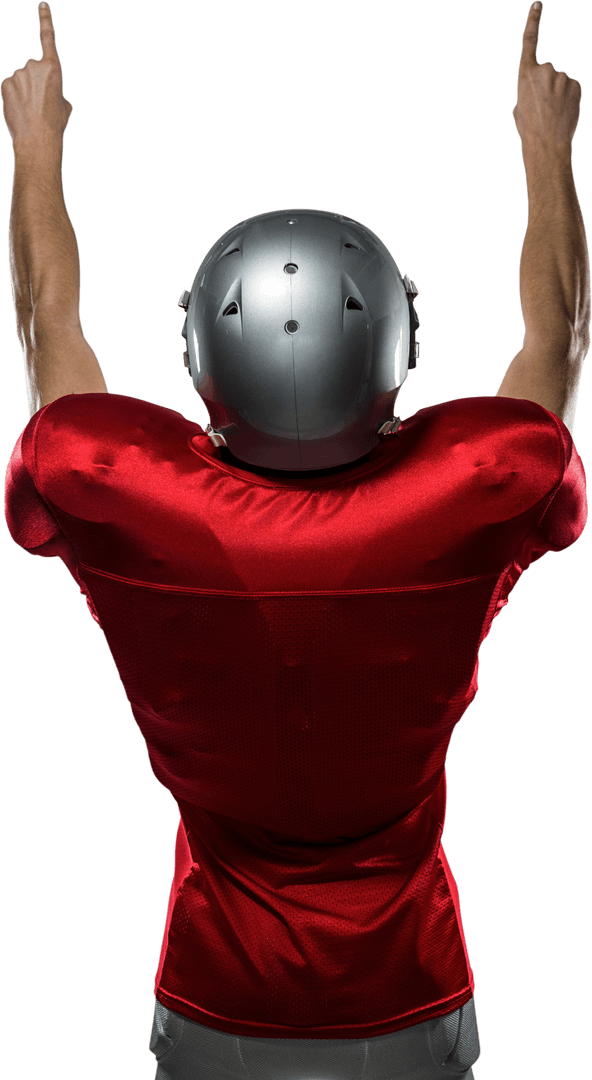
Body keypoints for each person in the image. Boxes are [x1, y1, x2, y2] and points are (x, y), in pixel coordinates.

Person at [2, 2, 589, 1078]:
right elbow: (557, 339)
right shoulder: (471, 490)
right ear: (398, 348)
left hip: (211, 1005)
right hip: (411, 998)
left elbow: (50, 336)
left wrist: (36, 145)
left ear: (198, 359)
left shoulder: (120, 491)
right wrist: (544, 144)